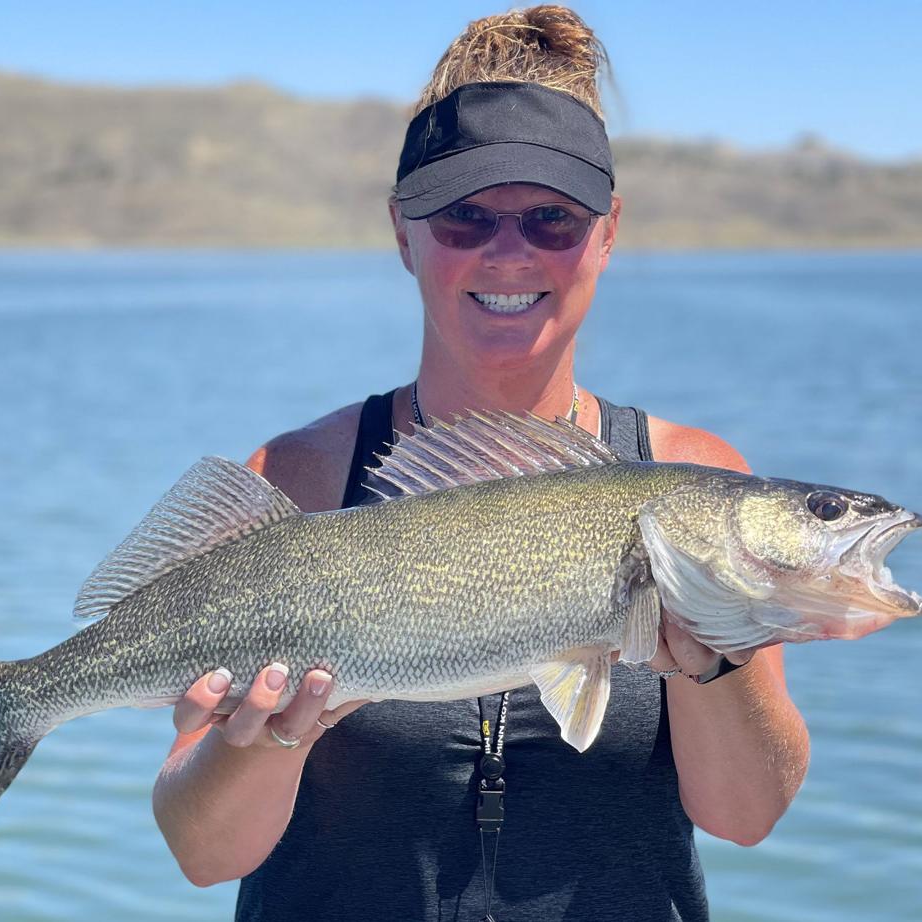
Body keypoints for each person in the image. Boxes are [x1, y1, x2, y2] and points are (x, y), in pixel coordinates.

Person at [152, 6, 809, 920]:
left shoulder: (690, 480)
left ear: (608, 231)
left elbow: (747, 815)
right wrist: (263, 742)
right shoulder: (297, 480)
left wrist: (712, 665)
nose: (510, 252)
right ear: (401, 231)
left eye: (553, 219)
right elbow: (199, 851)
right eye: (464, 217)